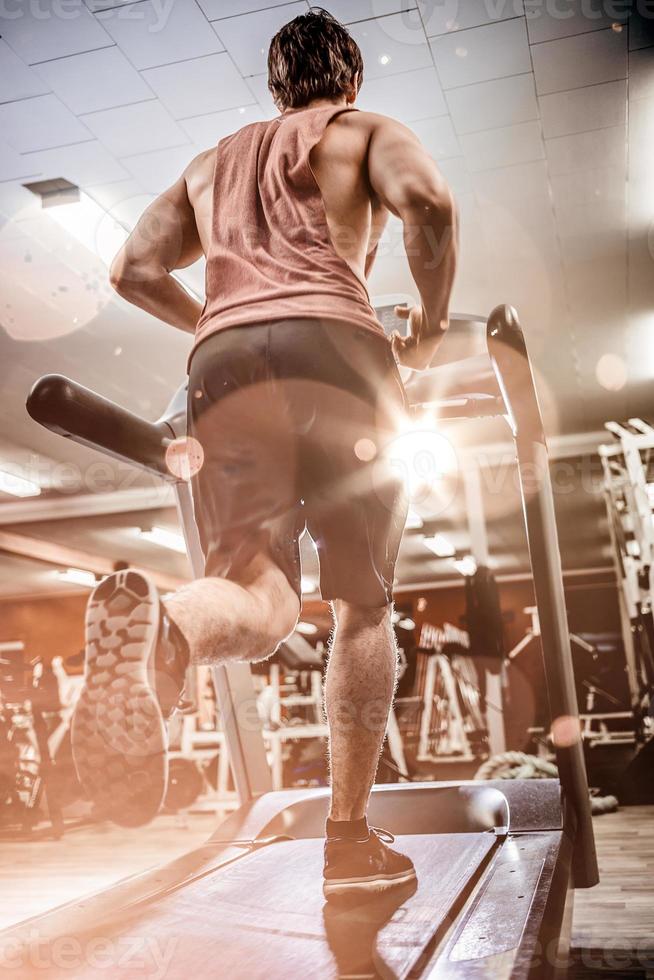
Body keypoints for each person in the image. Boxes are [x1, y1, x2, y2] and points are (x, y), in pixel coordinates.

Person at [71, 7, 457, 898]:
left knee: (263, 596)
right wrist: (429, 333)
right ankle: (350, 842)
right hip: (338, 349)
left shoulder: (213, 163)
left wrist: (217, 318)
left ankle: (168, 625)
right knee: (360, 606)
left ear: (276, 83)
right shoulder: (362, 131)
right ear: (350, 76)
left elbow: (132, 269)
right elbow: (429, 205)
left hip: (225, 363)